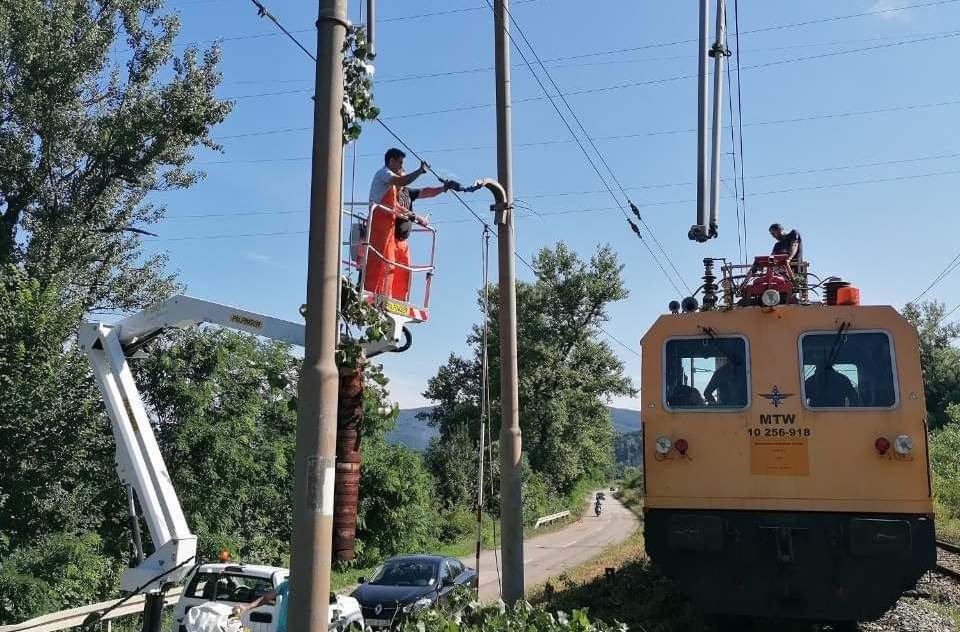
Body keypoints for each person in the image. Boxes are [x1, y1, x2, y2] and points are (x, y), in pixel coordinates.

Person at [365, 148, 429, 297]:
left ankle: (395, 297)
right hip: (379, 225)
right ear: (391, 161)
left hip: (389, 227)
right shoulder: (385, 174)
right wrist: (419, 171)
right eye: (400, 163)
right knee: (381, 263)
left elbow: (395, 205)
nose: (401, 167)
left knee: (395, 264)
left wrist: (415, 216)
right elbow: (402, 180)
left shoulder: (390, 185)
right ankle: (375, 295)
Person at [392, 179, 451, 300]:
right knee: (388, 271)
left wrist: (443, 188)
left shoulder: (406, 192)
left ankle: (399, 300)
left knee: (403, 274)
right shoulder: (390, 190)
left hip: (402, 242)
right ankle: (385, 296)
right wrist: (417, 217)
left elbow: (425, 192)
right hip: (389, 239)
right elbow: (394, 207)